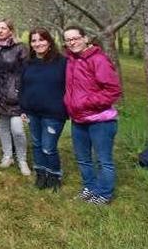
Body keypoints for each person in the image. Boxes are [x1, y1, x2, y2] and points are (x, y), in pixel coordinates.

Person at [63, 25, 122, 205]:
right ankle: (90, 188)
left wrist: (85, 103)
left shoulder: (98, 59)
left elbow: (113, 90)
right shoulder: (71, 60)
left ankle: (104, 194)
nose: (72, 42)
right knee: (83, 159)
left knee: (104, 160)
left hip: (100, 121)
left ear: (85, 38)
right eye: (68, 40)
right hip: (78, 120)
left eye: (75, 38)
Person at [19, 28, 68, 191]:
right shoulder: (28, 63)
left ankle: (54, 174)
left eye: (41, 40)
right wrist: (23, 109)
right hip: (32, 112)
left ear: (49, 42)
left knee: (49, 147)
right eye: (34, 41)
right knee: (37, 144)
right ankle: (41, 173)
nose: (38, 43)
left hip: (53, 113)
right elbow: (23, 87)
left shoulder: (62, 62)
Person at [0, 19, 31, 176]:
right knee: (2, 127)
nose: (0, 31)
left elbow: (26, 73)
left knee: (17, 129)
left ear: (11, 30)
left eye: (3, 28)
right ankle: (8, 155)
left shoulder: (20, 48)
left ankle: (22, 159)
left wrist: (21, 92)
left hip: (15, 94)